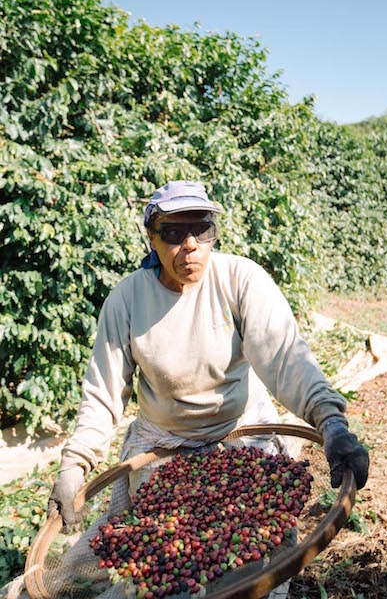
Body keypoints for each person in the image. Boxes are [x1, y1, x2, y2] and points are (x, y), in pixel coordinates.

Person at [48, 180, 369, 592]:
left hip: (239, 430)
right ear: (151, 237)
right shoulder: (126, 301)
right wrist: (74, 466)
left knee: (257, 539)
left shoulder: (240, 279)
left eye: (201, 230)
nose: (190, 246)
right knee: (162, 548)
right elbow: (102, 394)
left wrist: (332, 424)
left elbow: (286, 355)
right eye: (173, 233)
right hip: (163, 440)